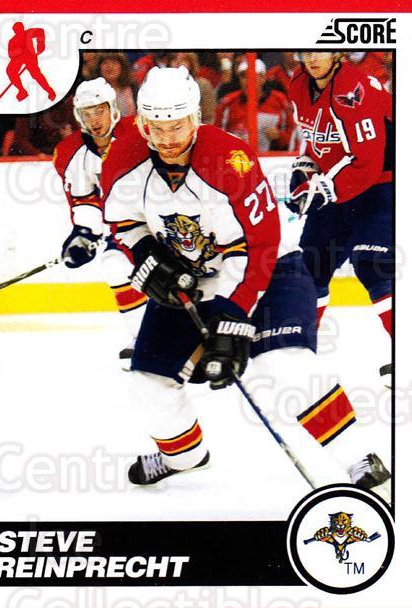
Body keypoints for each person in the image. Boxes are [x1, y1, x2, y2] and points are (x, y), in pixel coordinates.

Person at [99, 66, 390, 494]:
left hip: (270, 271)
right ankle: (183, 455)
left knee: (283, 363)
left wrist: (232, 317)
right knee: (148, 380)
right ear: (142, 123)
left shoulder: (230, 159)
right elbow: (123, 223)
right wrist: (145, 256)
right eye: (156, 127)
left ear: (195, 118)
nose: (167, 138)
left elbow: (260, 244)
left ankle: (357, 457)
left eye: (176, 126)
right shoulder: (123, 160)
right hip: (194, 280)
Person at [287, 52, 393, 386]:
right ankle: (298, 353)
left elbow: (369, 161)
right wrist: (307, 167)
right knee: (310, 269)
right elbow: (319, 138)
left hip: (383, 183)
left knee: (373, 264)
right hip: (339, 182)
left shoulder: (353, 89)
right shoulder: (299, 84)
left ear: (337, 52)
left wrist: (323, 189)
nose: (311, 58)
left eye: (319, 50)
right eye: (305, 51)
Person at [53, 78, 146, 362]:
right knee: (114, 266)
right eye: (87, 113)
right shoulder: (71, 153)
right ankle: (144, 338)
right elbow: (85, 201)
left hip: (168, 215)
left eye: (99, 111)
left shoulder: (140, 131)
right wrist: (85, 235)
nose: (94, 120)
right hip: (129, 226)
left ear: (113, 108)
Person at [216, 58, 295, 151]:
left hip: (271, 156)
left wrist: (279, 136)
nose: (247, 80)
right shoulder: (228, 102)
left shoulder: (279, 100)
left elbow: (292, 133)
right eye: (243, 76)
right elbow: (216, 134)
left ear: (263, 78)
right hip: (237, 155)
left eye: (252, 76)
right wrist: (232, 139)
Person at [6, 22, 55, 102]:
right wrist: (19, 51)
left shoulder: (28, 33)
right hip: (18, 59)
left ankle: (50, 92)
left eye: (20, 29)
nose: (19, 31)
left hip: (30, 57)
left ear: (23, 28)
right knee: (10, 70)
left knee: (36, 75)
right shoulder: (12, 41)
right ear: (14, 31)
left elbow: (40, 31)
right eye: (17, 30)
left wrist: (40, 43)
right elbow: (10, 54)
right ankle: (22, 91)